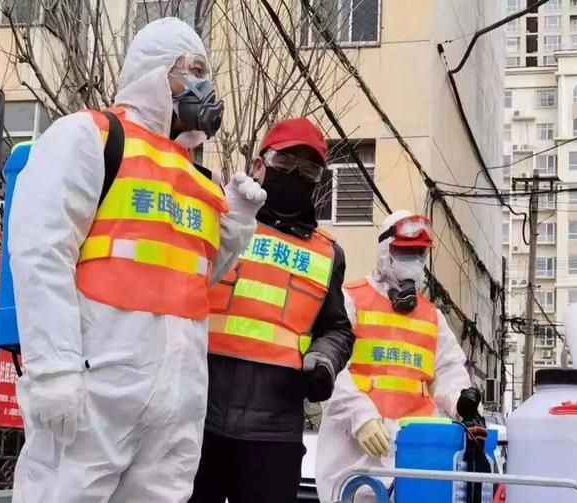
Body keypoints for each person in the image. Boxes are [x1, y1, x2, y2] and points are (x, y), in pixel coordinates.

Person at [9, 18, 266, 503]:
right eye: (191, 70)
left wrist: (236, 224)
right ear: (154, 70)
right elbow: (42, 249)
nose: (203, 86)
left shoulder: (198, 179)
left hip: (177, 399)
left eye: (205, 73)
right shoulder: (90, 136)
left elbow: (198, 275)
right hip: (97, 384)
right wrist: (53, 368)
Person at [189, 118, 355, 503]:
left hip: (274, 433)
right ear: (259, 165)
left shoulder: (328, 253)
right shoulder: (222, 221)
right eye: (285, 162)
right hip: (197, 415)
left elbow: (337, 329)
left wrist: (323, 361)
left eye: (309, 169)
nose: (296, 174)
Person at [315, 210, 486, 503]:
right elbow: (331, 368)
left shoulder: (432, 317)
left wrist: (462, 402)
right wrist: (359, 416)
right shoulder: (350, 300)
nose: (414, 261)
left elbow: (449, 371)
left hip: (415, 452)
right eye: (405, 252)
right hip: (358, 448)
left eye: (419, 253)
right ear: (385, 251)